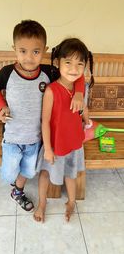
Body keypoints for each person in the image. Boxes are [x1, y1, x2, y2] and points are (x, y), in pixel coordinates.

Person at [0, 20, 85, 212]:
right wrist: (1, 107)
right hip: (12, 137)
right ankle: (14, 182)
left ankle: (18, 191)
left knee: (29, 171)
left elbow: (75, 72)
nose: (29, 58)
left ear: (45, 50)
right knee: (9, 174)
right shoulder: (8, 73)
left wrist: (80, 92)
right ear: (14, 49)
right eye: (23, 51)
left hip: (35, 139)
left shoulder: (48, 72)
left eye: (36, 52)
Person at [34, 37, 92, 222]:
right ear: (58, 62)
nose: (74, 69)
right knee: (45, 174)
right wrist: (49, 149)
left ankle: (71, 201)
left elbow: (85, 115)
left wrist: (81, 101)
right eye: (68, 62)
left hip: (74, 143)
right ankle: (42, 203)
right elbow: (45, 121)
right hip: (55, 144)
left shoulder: (79, 89)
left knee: (71, 174)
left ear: (84, 67)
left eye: (79, 64)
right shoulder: (51, 91)